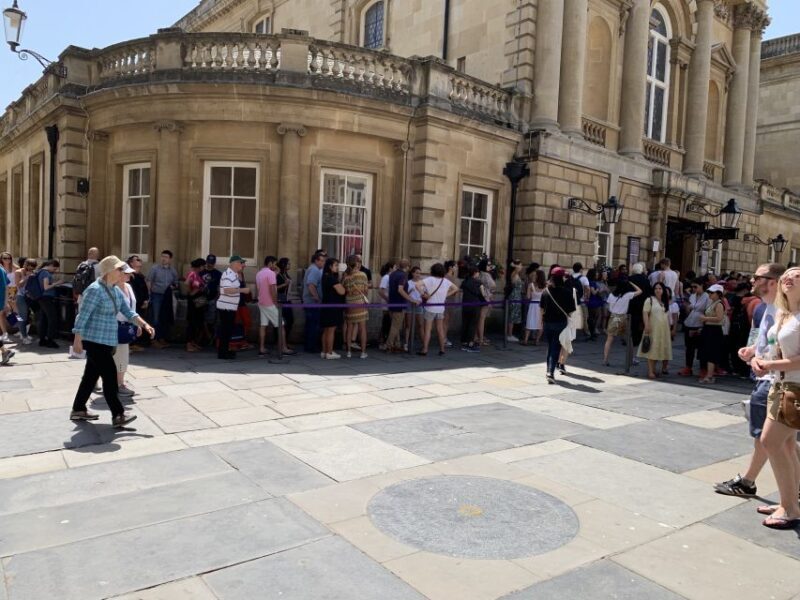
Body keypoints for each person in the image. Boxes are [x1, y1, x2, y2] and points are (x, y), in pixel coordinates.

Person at [715, 263, 786, 499]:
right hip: (767, 377)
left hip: (774, 380)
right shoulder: (765, 307)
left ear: (772, 282)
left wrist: (766, 363)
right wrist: (753, 350)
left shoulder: (786, 310)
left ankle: (751, 483)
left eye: (757, 277)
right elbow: (769, 340)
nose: (751, 280)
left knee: (768, 439)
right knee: (781, 440)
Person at [70, 255, 155, 427]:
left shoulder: (114, 290)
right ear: (109, 271)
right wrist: (77, 339)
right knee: (110, 377)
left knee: (90, 377)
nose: (122, 272)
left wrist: (145, 324)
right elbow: (82, 315)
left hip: (108, 340)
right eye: (119, 269)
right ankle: (118, 414)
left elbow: (128, 312)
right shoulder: (95, 290)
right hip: (95, 341)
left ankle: (78, 409)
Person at [751, 266, 800, 529]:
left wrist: (771, 366)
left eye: (798, 275)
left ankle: (790, 508)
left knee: (770, 441)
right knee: (788, 445)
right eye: (787, 275)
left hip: (795, 387)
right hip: (779, 385)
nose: (790, 278)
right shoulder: (785, 314)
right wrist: (758, 358)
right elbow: (774, 348)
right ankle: (789, 500)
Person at [539, 267, 576, 384]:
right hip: (560, 323)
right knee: (555, 347)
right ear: (561, 278)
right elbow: (570, 311)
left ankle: (548, 370)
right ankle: (550, 372)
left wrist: (541, 322)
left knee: (550, 347)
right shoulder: (567, 292)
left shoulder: (546, 292)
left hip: (548, 323)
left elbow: (541, 309)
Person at [417, 263, 457, 356]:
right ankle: (442, 349)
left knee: (427, 330)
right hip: (440, 308)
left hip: (430, 307)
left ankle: (425, 349)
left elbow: (417, 285)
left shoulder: (430, 279)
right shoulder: (445, 281)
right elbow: (456, 288)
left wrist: (423, 294)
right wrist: (446, 295)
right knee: (440, 329)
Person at [602, 280, 643, 365]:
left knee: (609, 339)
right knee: (629, 340)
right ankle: (632, 359)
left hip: (613, 317)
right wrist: (631, 283)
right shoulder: (627, 295)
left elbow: (609, 307)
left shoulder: (611, 295)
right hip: (623, 318)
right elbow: (640, 291)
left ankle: (605, 359)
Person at [638, 281, 673, 379]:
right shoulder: (649, 300)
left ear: (663, 290)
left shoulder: (664, 301)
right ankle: (650, 371)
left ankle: (653, 370)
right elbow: (645, 312)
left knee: (658, 349)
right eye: (656, 288)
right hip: (653, 328)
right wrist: (647, 325)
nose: (658, 290)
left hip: (663, 330)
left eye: (660, 288)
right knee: (651, 349)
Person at [216, 256, 248, 360]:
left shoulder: (233, 275)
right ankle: (223, 353)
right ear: (234, 263)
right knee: (225, 331)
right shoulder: (228, 274)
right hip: (226, 307)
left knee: (227, 331)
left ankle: (224, 351)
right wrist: (242, 290)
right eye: (241, 263)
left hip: (230, 307)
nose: (243, 265)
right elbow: (227, 290)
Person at [114, 263, 139, 397]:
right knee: (111, 355)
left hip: (126, 326)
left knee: (123, 354)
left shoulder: (128, 287)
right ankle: (118, 384)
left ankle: (119, 383)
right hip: (113, 325)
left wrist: (137, 324)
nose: (130, 275)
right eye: (127, 272)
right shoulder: (112, 288)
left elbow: (132, 308)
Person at [146, 250, 178, 348]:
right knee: (155, 318)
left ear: (170, 259)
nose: (163, 259)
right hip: (156, 295)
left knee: (165, 318)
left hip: (167, 297)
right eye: (162, 256)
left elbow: (176, 282)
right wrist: (149, 294)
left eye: (166, 257)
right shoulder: (154, 268)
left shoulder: (172, 270)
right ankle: (154, 339)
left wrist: (173, 286)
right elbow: (148, 281)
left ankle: (161, 338)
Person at [679, 278, 710, 377]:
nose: (693, 289)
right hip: (690, 322)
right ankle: (688, 367)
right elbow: (689, 310)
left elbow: (707, 312)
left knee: (701, 348)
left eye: (695, 287)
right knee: (689, 347)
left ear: (702, 286)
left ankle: (703, 369)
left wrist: (704, 326)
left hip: (700, 324)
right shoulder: (692, 296)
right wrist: (687, 308)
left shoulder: (707, 297)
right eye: (692, 287)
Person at [698, 284, 726, 384]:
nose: (710, 294)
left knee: (711, 353)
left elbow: (719, 318)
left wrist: (705, 319)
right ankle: (708, 374)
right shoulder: (713, 303)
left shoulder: (719, 304)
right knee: (707, 352)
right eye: (709, 292)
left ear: (718, 294)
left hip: (714, 330)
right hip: (708, 329)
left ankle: (709, 375)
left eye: (712, 293)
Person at [342, 255, 369, 359]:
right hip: (360, 303)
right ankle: (363, 352)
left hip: (349, 303)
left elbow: (344, 291)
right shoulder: (363, 275)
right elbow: (366, 290)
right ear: (357, 263)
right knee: (362, 328)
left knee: (349, 328)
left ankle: (348, 352)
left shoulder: (345, 276)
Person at [385, 259, 415, 352]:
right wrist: (411, 299)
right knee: (395, 326)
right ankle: (389, 345)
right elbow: (400, 289)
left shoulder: (392, 274)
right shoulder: (403, 275)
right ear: (407, 267)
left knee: (395, 325)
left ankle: (396, 344)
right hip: (400, 303)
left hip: (392, 302)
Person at [320, 257, 346, 359]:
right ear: (330, 266)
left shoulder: (325, 276)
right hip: (332, 307)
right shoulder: (331, 278)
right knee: (331, 330)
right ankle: (329, 352)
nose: (337, 268)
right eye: (336, 265)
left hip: (326, 305)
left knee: (326, 330)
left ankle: (324, 351)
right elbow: (342, 291)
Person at [302, 252, 325, 354]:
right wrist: (317, 298)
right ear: (316, 260)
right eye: (321, 261)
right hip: (312, 302)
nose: (323, 263)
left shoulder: (311, 269)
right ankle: (311, 346)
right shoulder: (315, 270)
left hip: (308, 301)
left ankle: (308, 345)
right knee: (313, 325)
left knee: (310, 324)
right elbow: (311, 285)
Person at [37, 260, 63, 348]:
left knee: (43, 319)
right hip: (46, 298)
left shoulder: (40, 272)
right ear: (51, 265)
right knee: (52, 319)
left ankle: (42, 339)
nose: (54, 271)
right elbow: (46, 287)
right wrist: (57, 283)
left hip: (41, 298)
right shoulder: (45, 273)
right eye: (54, 269)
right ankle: (50, 340)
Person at [126, 255, 149, 351]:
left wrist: (146, 300)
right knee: (131, 323)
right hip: (132, 304)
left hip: (141, 303)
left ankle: (134, 343)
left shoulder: (141, 276)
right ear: (131, 263)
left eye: (140, 260)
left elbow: (145, 289)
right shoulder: (129, 276)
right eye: (137, 260)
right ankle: (129, 343)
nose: (140, 261)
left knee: (138, 323)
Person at [628, 262, 652, 352]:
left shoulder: (630, 279)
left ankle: (632, 338)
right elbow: (649, 292)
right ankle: (639, 339)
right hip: (643, 303)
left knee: (633, 322)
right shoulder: (646, 280)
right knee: (642, 321)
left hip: (632, 303)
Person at [460, 266, 484, 352]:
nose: (478, 274)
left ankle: (464, 342)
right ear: (475, 273)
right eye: (477, 272)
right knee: (472, 324)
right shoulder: (478, 282)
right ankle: (470, 343)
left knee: (465, 323)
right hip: (475, 305)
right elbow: (482, 294)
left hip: (466, 304)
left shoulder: (465, 282)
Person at [185, 258, 207, 353]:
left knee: (197, 322)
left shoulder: (198, 274)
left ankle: (193, 342)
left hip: (199, 301)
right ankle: (189, 343)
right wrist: (192, 292)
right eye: (203, 266)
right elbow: (186, 284)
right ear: (200, 266)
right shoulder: (192, 273)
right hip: (194, 301)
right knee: (192, 322)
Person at [13, 258, 36, 344]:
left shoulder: (33, 272)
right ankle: (24, 336)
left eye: (33, 267)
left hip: (30, 297)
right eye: (30, 267)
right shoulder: (18, 272)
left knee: (27, 317)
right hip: (21, 297)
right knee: (22, 317)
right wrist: (27, 277)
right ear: (25, 265)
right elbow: (18, 284)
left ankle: (23, 333)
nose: (31, 269)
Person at [523, 268, 546, 346]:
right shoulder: (545, 286)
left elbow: (528, 297)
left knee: (529, 322)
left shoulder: (531, 285)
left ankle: (525, 340)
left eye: (535, 275)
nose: (534, 276)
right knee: (540, 324)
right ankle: (537, 341)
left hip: (533, 306)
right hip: (541, 306)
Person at [201, 254, 222, 339]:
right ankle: (204, 337)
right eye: (209, 262)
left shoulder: (218, 274)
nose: (210, 264)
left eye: (212, 263)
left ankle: (210, 336)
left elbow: (219, 287)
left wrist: (217, 298)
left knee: (211, 319)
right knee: (202, 318)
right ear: (206, 262)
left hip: (213, 299)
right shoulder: (201, 273)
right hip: (201, 299)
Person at [405, 266, 425, 352]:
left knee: (420, 325)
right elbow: (405, 294)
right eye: (416, 273)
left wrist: (422, 299)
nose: (418, 275)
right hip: (410, 304)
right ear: (412, 273)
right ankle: (406, 343)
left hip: (419, 304)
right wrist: (411, 291)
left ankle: (424, 344)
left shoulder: (422, 283)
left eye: (419, 273)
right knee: (408, 325)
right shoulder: (408, 282)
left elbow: (424, 294)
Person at [476, 259, 496, 346]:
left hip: (479, 297)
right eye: (488, 265)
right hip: (486, 297)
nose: (489, 266)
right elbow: (493, 285)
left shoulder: (479, 273)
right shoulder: (486, 275)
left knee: (479, 318)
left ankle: (478, 337)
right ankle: (480, 339)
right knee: (482, 318)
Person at [377, 261, 396, 350]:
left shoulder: (391, 277)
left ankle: (385, 340)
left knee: (388, 322)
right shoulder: (386, 277)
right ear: (390, 268)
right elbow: (381, 291)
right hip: (387, 303)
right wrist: (388, 300)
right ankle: (382, 341)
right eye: (395, 267)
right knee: (386, 321)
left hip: (390, 302)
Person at [570, 263, 590, 341]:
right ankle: (587, 333)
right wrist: (587, 297)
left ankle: (572, 333)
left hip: (572, 300)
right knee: (585, 317)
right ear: (581, 269)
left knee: (573, 317)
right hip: (581, 300)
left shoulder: (570, 277)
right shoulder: (584, 278)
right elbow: (587, 288)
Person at [276, 257, 295, 341]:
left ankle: (284, 341)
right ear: (283, 264)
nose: (290, 265)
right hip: (281, 300)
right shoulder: (278, 274)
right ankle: (280, 341)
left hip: (287, 299)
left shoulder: (285, 274)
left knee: (290, 320)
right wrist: (284, 284)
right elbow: (274, 288)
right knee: (281, 321)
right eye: (288, 263)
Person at [506, 260, 524, 342]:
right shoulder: (514, 274)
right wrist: (515, 266)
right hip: (515, 296)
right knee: (512, 316)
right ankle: (509, 334)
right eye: (520, 265)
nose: (521, 267)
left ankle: (510, 333)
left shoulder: (516, 274)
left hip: (517, 296)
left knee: (513, 316)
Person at [0, 252, 16, 343]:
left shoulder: (15, 267)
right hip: (5, 292)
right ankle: (5, 333)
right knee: (2, 314)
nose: (7, 260)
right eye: (4, 258)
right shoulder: (1, 268)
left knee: (14, 312)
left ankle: (21, 328)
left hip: (13, 291)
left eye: (9, 258)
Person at [443, 260, 459, 348]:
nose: (456, 268)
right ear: (450, 267)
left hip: (451, 300)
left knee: (447, 321)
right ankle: (444, 339)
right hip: (447, 300)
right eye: (455, 266)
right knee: (445, 321)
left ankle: (444, 337)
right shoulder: (447, 277)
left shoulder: (451, 277)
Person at [586, 268, 604, 341]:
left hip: (593, 301)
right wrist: (599, 289)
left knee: (592, 317)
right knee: (593, 318)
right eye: (596, 273)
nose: (597, 275)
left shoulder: (589, 281)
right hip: (593, 301)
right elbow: (593, 292)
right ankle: (592, 333)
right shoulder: (592, 282)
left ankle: (592, 333)